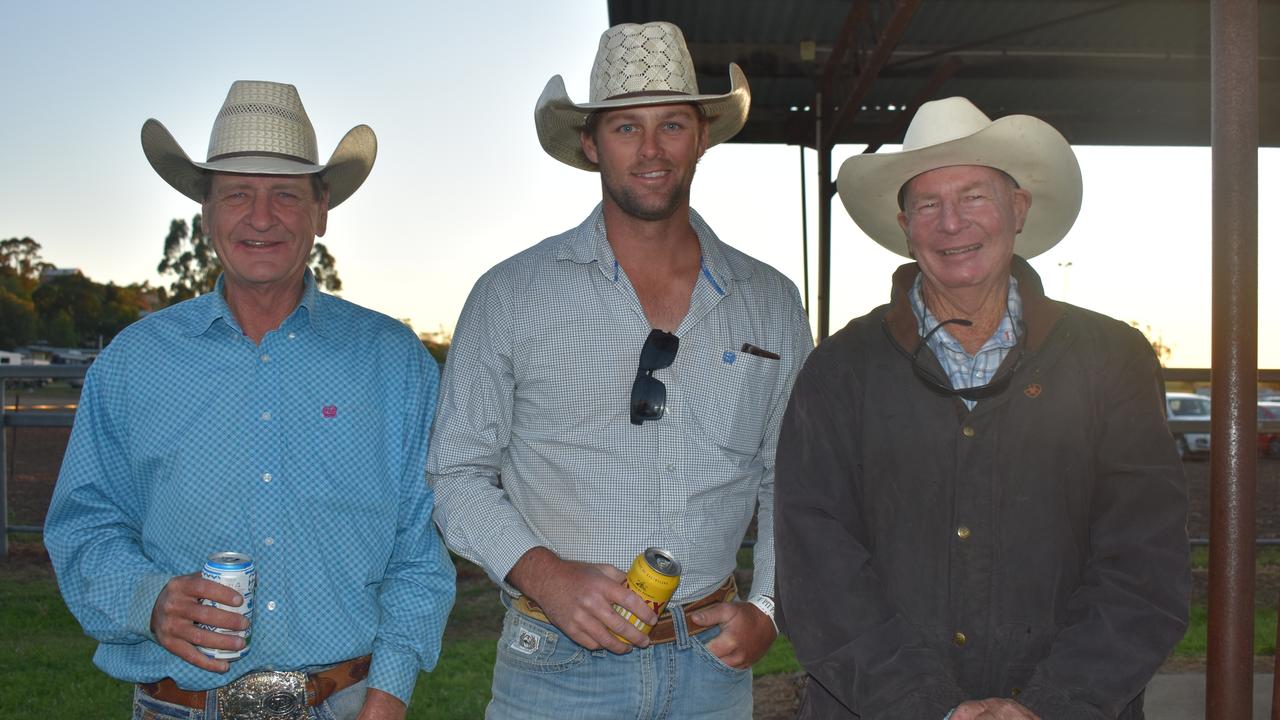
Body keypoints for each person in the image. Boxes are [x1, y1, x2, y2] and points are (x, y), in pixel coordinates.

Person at [427, 21, 812, 718]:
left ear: (701, 137)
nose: (651, 150)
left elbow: (792, 473)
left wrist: (769, 606)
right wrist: (545, 576)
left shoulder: (773, 302)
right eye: (626, 128)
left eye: (672, 125)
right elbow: (456, 472)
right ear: (589, 144)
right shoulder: (511, 294)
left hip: (712, 666)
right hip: (556, 668)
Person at [44, 80, 455, 720]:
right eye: (237, 193)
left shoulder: (393, 362)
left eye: (285, 195)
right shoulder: (132, 363)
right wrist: (146, 599)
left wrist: (389, 692)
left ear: (321, 211)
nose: (261, 218)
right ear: (204, 211)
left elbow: (419, 547)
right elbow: (84, 525)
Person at [775, 97, 1190, 719]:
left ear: (1017, 209)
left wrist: (1056, 703)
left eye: (973, 196)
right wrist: (927, 707)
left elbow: (1144, 562)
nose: (951, 224)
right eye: (928, 204)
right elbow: (818, 570)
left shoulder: (1112, 359)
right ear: (904, 225)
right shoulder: (840, 370)